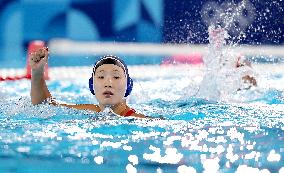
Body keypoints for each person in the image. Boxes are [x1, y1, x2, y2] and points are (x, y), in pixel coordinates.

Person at [30, 47, 145, 118]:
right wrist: (37, 73)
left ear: (128, 86)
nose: (108, 83)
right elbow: (44, 105)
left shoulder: (137, 120)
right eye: (101, 77)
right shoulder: (91, 111)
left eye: (116, 77)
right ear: (92, 86)